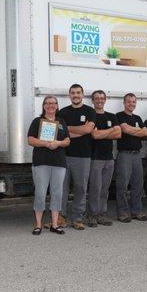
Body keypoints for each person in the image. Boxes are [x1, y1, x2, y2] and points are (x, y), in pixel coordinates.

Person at [27, 96, 70, 235]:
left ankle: (55, 224)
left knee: (57, 193)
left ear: (57, 106)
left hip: (59, 163)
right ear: (44, 106)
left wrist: (58, 143)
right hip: (41, 162)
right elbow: (31, 140)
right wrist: (46, 143)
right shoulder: (37, 121)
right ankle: (38, 224)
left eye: (53, 103)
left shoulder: (62, 122)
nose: (50, 105)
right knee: (40, 193)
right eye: (47, 103)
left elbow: (67, 140)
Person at [58, 84, 96, 230]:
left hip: (83, 156)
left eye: (78, 93)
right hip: (64, 155)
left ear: (82, 94)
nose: (76, 95)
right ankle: (61, 217)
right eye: (73, 93)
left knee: (80, 188)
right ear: (69, 95)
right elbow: (60, 133)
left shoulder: (89, 111)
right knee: (62, 189)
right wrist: (81, 130)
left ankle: (78, 218)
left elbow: (88, 129)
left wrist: (68, 128)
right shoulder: (63, 112)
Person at [87, 90, 121, 227]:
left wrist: (104, 132)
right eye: (96, 98)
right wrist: (110, 130)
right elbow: (95, 135)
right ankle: (92, 215)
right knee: (95, 187)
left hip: (109, 158)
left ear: (105, 100)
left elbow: (118, 134)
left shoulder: (112, 116)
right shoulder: (91, 116)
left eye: (102, 98)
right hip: (95, 158)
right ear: (93, 101)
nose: (99, 100)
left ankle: (102, 214)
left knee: (105, 188)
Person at [115, 93, 147, 223]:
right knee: (122, 184)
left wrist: (132, 130)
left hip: (137, 155)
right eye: (129, 102)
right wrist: (137, 130)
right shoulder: (119, 116)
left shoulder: (138, 117)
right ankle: (123, 213)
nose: (131, 104)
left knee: (137, 184)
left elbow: (145, 133)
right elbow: (125, 129)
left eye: (134, 102)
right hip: (124, 155)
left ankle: (136, 211)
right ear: (124, 103)